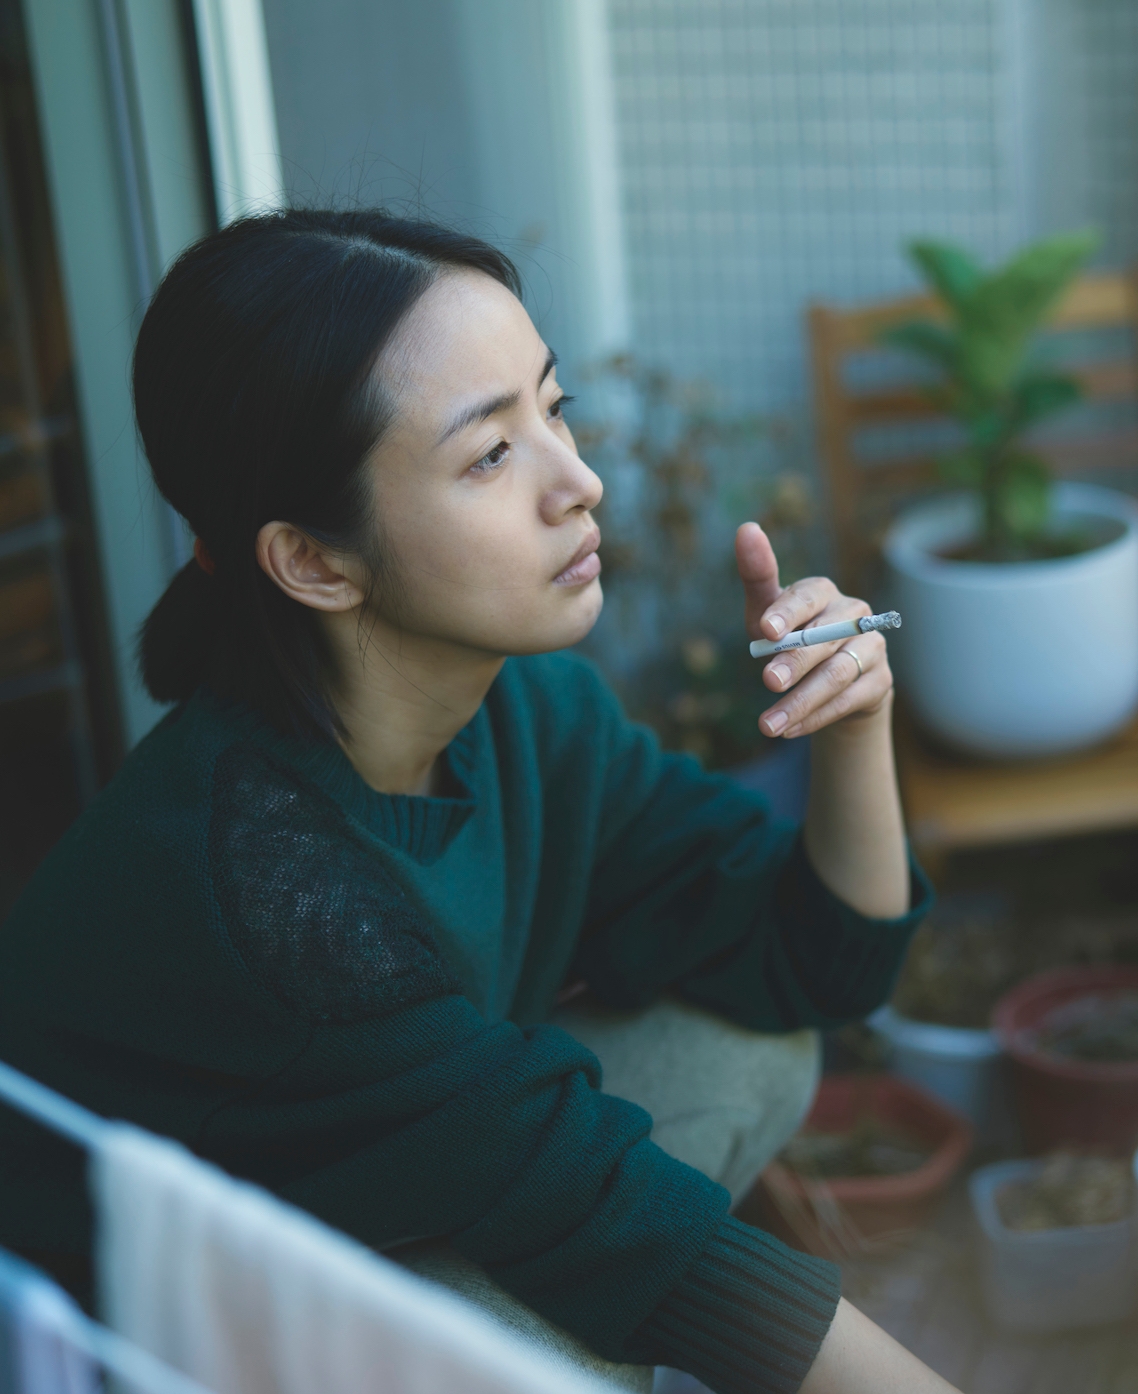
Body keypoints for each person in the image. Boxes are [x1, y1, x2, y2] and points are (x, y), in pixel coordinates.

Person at [0, 210, 958, 1394]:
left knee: (741, 1042)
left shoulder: (526, 715)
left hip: (304, 1243)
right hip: (121, 1346)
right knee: (536, 1333)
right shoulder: (268, 894)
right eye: (489, 455)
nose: (582, 482)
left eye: (549, 409)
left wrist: (853, 726)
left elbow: (814, 963)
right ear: (314, 560)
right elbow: (642, 1238)